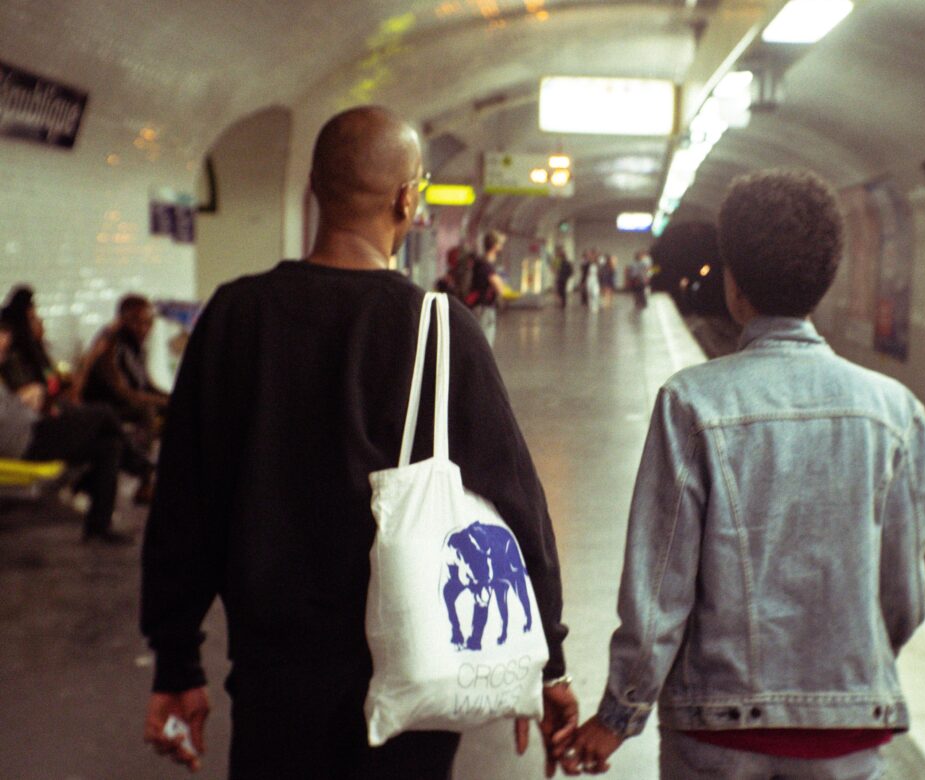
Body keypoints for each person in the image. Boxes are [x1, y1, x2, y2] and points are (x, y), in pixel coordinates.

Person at [139, 106, 577, 779]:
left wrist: (176, 662)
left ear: (312, 188)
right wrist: (546, 661)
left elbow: (183, 507)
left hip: (271, 682)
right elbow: (517, 506)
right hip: (411, 677)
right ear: (409, 198)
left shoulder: (235, 317)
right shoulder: (438, 328)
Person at [562, 170, 925, 779]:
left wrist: (618, 715)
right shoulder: (896, 412)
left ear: (734, 285)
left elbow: (660, 587)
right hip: (846, 731)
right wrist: (850, 673)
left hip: (716, 727)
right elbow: (903, 593)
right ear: (827, 279)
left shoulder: (692, 403)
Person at [0, 319, 132, 544]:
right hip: (25, 440)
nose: (5, 349)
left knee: (109, 446)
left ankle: (98, 528)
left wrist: (30, 398)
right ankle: (143, 468)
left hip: (33, 429)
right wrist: (25, 398)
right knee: (103, 413)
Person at [81, 294, 170, 433]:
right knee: (148, 411)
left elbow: (146, 384)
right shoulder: (110, 346)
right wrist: (163, 402)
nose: (142, 328)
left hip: (127, 404)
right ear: (121, 320)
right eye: (136, 321)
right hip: (107, 407)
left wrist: (173, 397)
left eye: (147, 323)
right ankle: (142, 455)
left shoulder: (136, 346)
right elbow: (123, 393)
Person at [466, 229, 511, 346]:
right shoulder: (486, 265)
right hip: (483, 308)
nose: (502, 246)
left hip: (478, 306)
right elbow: (500, 288)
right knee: (484, 342)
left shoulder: (481, 262)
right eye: (500, 244)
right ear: (494, 246)